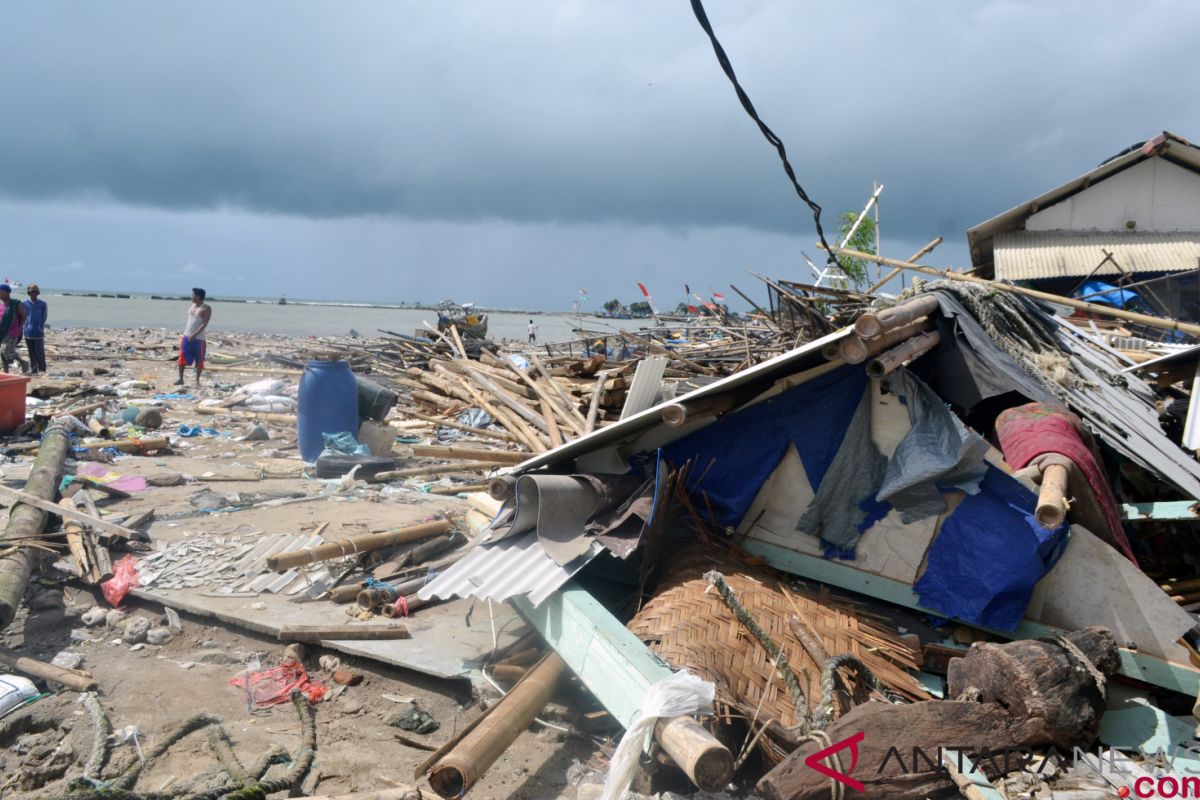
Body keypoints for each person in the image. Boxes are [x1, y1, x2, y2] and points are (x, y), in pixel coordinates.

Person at [176, 287, 211, 386]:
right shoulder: (192, 306)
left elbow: (204, 323)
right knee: (182, 357)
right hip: (186, 336)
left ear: (198, 296)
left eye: (193, 295)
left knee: (199, 360)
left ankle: (197, 381)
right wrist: (188, 335)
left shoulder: (205, 308)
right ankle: (180, 379)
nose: (191, 296)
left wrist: (194, 334)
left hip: (199, 339)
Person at [0, 284, 28, 374]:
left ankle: (23, 362)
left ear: (8, 293)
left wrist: (20, 328)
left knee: (5, 351)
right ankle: (6, 372)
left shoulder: (15, 303)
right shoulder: (1, 305)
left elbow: (24, 315)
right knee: (2, 353)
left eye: (1, 292)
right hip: (2, 332)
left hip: (12, 332)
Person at [22, 285, 48, 375]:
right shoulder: (24, 303)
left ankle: (42, 369)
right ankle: (33, 369)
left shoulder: (42, 304)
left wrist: (40, 326)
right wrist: (25, 326)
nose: (34, 293)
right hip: (28, 332)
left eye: (35, 292)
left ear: (38, 293)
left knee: (40, 352)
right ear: (29, 293)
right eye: (32, 292)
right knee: (31, 352)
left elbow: (44, 317)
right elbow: (22, 316)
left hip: (38, 332)